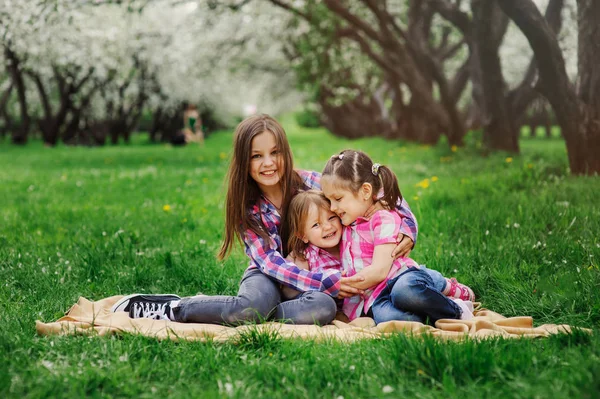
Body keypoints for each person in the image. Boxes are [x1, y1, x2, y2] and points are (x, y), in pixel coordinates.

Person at [111, 115, 416, 326]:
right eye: (257, 156)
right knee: (251, 307)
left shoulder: (311, 183)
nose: (268, 163)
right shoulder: (249, 210)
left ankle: (247, 313)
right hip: (270, 275)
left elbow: (373, 191)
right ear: (245, 161)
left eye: (275, 152)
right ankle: (177, 308)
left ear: (285, 152)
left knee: (322, 308)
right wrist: (327, 283)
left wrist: (407, 227)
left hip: (316, 275)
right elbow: (270, 263)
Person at [320, 150, 475, 324]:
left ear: (365, 191)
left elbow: (379, 271)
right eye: (329, 200)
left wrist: (342, 285)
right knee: (390, 319)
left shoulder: (382, 218)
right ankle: (430, 311)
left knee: (405, 292)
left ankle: (456, 309)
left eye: (338, 199)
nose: (332, 207)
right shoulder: (346, 224)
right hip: (375, 297)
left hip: (399, 278)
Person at [284, 189, 475, 324]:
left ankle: (446, 286)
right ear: (302, 235)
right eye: (316, 225)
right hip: (372, 299)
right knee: (397, 320)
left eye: (331, 218)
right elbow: (291, 284)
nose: (327, 227)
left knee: (410, 284)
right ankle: (430, 311)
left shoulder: (352, 231)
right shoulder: (308, 257)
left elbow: (381, 201)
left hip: (393, 276)